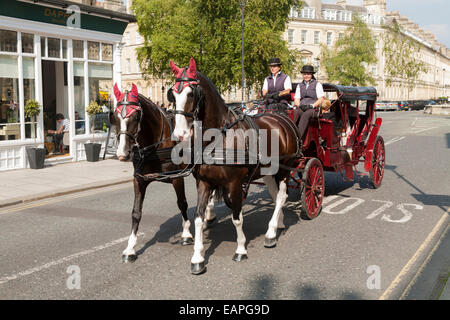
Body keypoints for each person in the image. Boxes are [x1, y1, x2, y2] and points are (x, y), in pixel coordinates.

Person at [294, 65, 325, 138]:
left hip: (313, 109)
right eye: (304, 74)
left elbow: (321, 99)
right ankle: (290, 132)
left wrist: (312, 105)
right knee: (295, 112)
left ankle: (298, 138)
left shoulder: (317, 84)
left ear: (311, 75)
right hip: (302, 107)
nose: (306, 76)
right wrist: (299, 105)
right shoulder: (299, 85)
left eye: (308, 74)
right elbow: (296, 99)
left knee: (306, 114)